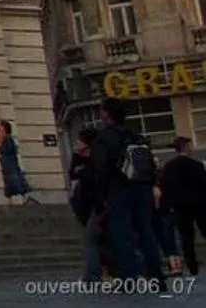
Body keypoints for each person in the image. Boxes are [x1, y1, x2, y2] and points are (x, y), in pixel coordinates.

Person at [94, 95, 167, 285]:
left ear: (107, 114)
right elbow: (150, 164)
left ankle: (129, 278)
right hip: (142, 189)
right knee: (146, 232)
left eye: (102, 110)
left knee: (123, 236)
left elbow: (100, 170)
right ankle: (157, 275)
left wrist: (102, 197)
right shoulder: (136, 135)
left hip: (119, 191)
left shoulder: (104, 137)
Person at [163, 137, 206, 275]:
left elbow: (167, 188)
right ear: (186, 147)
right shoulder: (197, 165)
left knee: (186, 237)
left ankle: (192, 266)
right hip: (199, 204)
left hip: (180, 206)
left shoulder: (169, 166)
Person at [70, 127, 103, 283]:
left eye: (80, 140)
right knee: (97, 240)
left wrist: (81, 169)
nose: (76, 143)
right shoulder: (82, 158)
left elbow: (83, 175)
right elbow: (72, 172)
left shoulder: (96, 161)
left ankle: (92, 276)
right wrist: (77, 156)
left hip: (98, 207)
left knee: (90, 241)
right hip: (89, 208)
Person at [0, 119, 32, 205]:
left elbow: (9, 150)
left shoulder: (8, 138)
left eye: (0, 127)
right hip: (7, 164)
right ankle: (10, 199)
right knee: (9, 181)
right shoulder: (4, 139)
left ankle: (23, 195)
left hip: (10, 164)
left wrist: (0, 148)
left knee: (14, 180)